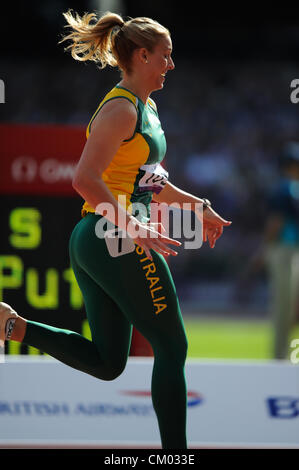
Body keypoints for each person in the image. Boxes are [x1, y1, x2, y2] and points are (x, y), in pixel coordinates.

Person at [0, 10, 231, 449]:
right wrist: (135, 230)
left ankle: (11, 327)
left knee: (109, 363)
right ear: (142, 56)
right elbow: (84, 179)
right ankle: (175, 456)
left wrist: (199, 206)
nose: (172, 64)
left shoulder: (146, 107)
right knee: (172, 347)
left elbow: (150, 181)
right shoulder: (122, 109)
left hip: (104, 239)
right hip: (114, 239)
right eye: (165, 55)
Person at [263, 142, 299, 359]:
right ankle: (280, 357)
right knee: (284, 307)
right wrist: (267, 248)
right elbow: (275, 222)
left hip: (289, 250)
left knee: (289, 307)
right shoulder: (285, 189)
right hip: (284, 250)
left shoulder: (290, 188)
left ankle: (283, 354)